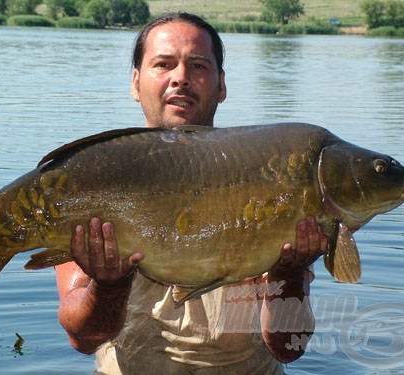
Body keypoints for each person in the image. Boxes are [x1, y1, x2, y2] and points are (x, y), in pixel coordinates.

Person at [56, 12, 328, 374]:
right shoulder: (94, 177)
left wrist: (289, 275)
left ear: (221, 85)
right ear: (136, 83)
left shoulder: (269, 176)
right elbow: (82, 339)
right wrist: (108, 287)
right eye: (163, 64)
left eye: (198, 65)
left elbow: (287, 348)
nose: (180, 77)